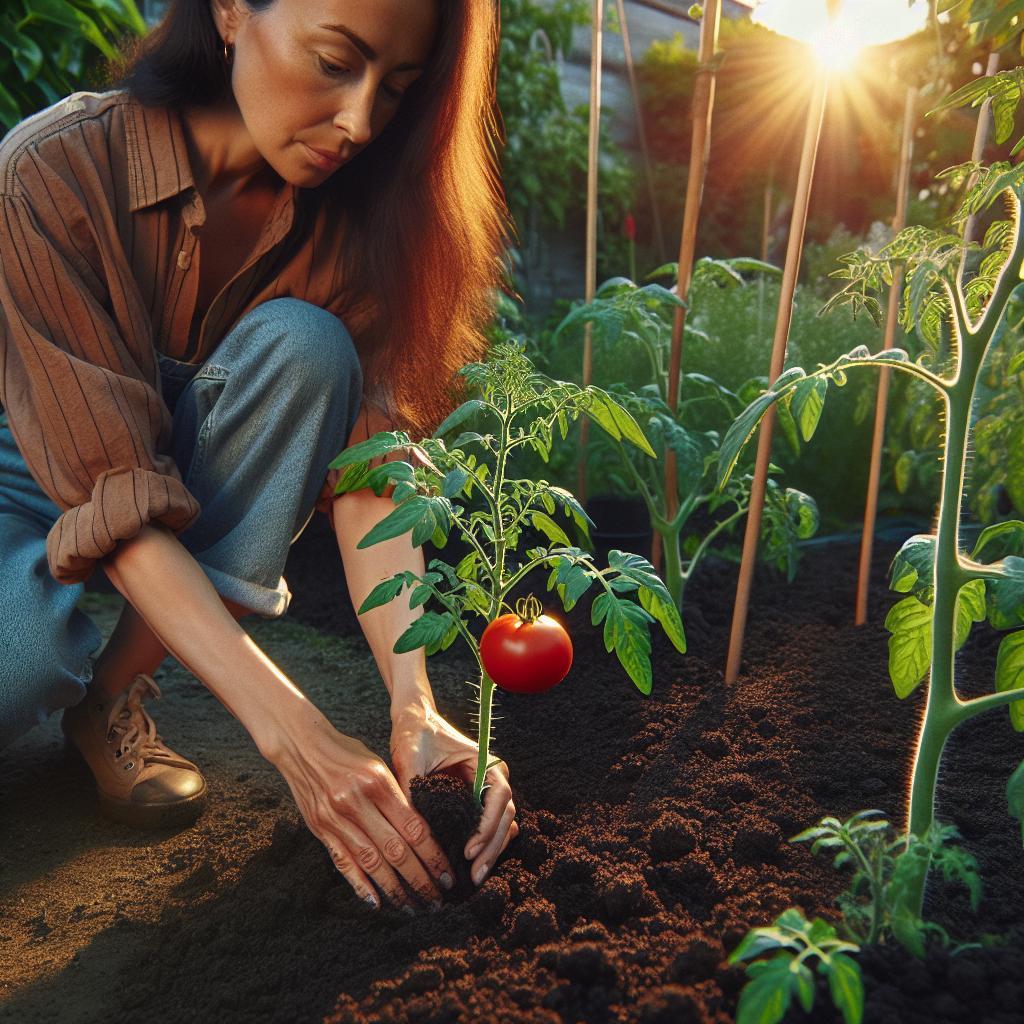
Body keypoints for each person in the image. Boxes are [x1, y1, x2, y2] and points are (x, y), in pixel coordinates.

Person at [0, 0, 518, 914]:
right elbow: (112, 492)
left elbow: (373, 471)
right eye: (333, 63)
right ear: (232, 11)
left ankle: (109, 699)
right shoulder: (51, 172)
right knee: (23, 662)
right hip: (22, 465)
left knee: (311, 347)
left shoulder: (362, 223)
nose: (358, 123)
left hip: (162, 485)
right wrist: (301, 740)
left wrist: (416, 709)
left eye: (394, 90)